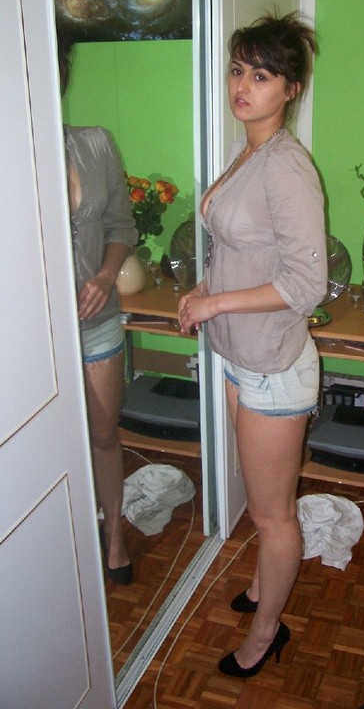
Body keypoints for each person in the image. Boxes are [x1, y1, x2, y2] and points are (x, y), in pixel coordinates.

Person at [178, 12, 327, 677]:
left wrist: (215, 302)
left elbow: (306, 283)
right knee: (267, 501)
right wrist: (205, 288)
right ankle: (265, 588)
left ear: (291, 88)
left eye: (261, 76)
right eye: (239, 70)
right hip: (242, 356)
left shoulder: (286, 167)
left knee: (272, 516)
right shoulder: (249, 151)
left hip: (273, 365)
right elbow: (242, 249)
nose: (243, 85)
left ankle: (266, 633)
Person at [58, 35, 138, 585]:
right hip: (36, 337)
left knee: (104, 433)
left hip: (96, 320)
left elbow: (120, 225)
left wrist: (106, 275)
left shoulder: (94, 144)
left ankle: (114, 535)